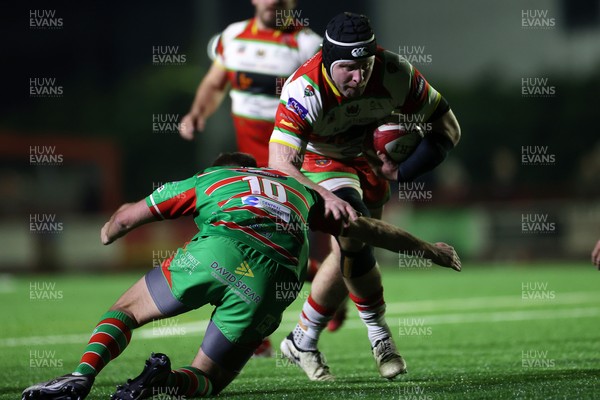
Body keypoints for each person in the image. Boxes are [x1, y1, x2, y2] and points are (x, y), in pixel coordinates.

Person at [21, 152, 460, 400]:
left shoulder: (211, 180)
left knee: (125, 312)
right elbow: (369, 230)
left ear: (221, 167)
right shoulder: (301, 190)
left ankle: (81, 376)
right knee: (207, 379)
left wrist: (108, 231)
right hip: (271, 282)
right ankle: (159, 385)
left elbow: (127, 218)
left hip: (217, 251)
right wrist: (429, 249)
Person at [269, 12, 461, 381]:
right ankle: (380, 336)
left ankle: (301, 339)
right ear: (327, 60)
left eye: (366, 65)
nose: (359, 77)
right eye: (348, 68)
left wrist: (403, 171)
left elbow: (449, 128)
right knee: (356, 234)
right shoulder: (304, 89)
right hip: (320, 160)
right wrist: (324, 193)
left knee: (349, 248)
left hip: (370, 160)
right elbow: (279, 164)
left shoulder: (395, 73)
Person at [179, 0, 322, 167]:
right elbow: (215, 84)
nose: (274, 1)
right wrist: (197, 113)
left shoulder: (310, 45)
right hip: (248, 161)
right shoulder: (233, 35)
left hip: (293, 164)